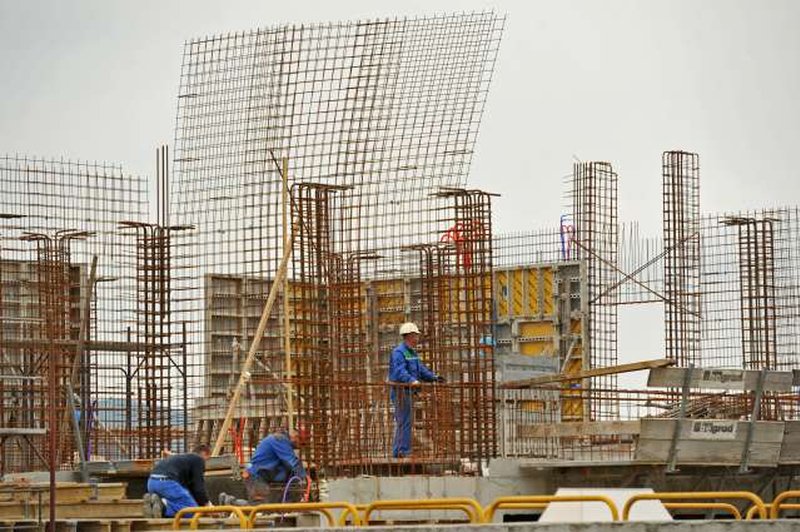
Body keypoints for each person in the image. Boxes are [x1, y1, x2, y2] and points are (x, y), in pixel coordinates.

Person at [388, 322, 444, 458]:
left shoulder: (411, 353)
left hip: (408, 391)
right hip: (400, 391)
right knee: (403, 421)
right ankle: (401, 451)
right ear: (409, 336)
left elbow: (421, 369)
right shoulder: (399, 352)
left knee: (406, 421)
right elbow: (399, 371)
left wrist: (434, 377)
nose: (417, 338)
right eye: (416, 335)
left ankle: (401, 450)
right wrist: (411, 380)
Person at [220, 428, 309, 505]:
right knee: (260, 506)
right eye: (302, 443)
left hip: (257, 476)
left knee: (262, 506)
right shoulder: (280, 440)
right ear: (296, 437)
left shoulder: (282, 442)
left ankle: (230, 501)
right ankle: (230, 501)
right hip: (256, 476)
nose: (301, 446)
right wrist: (305, 477)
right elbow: (291, 462)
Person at [143, 444, 211, 518]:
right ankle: (163, 506)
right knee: (194, 512)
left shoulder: (182, 459)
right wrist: (207, 505)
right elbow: (198, 487)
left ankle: (155, 504)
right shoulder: (198, 459)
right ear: (205, 454)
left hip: (151, 482)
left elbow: (190, 488)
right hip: (167, 483)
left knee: (181, 502)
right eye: (207, 460)